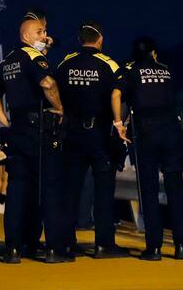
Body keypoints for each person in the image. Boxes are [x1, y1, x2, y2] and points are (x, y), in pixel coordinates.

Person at [0, 18, 66, 264]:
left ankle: (13, 249)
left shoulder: (7, 61)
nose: (45, 35)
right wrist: (60, 108)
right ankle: (49, 248)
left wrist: (5, 121)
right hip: (38, 128)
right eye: (40, 32)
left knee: (18, 190)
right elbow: (47, 83)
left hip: (17, 128)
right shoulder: (32, 57)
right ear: (26, 36)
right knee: (46, 187)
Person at [54, 20, 129, 259]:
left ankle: (65, 244)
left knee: (70, 190)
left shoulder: (65, 64)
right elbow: (120, 96)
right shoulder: (109, 65)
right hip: (99, 135)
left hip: (71, 134)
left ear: (79, 39)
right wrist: (119, 125)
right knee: (104, 190)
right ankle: (103, 244)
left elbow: (52, 91)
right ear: (100, 39)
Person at [112, 36, 183, 261]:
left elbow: (117, 94)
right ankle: (181, 246)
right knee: (176, 190)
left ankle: (154, 248)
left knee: (149, 191)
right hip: (172, 130)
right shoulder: (167, 71)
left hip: (146, 132)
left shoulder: (132, 71)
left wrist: (119, 124)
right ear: (154, 53)